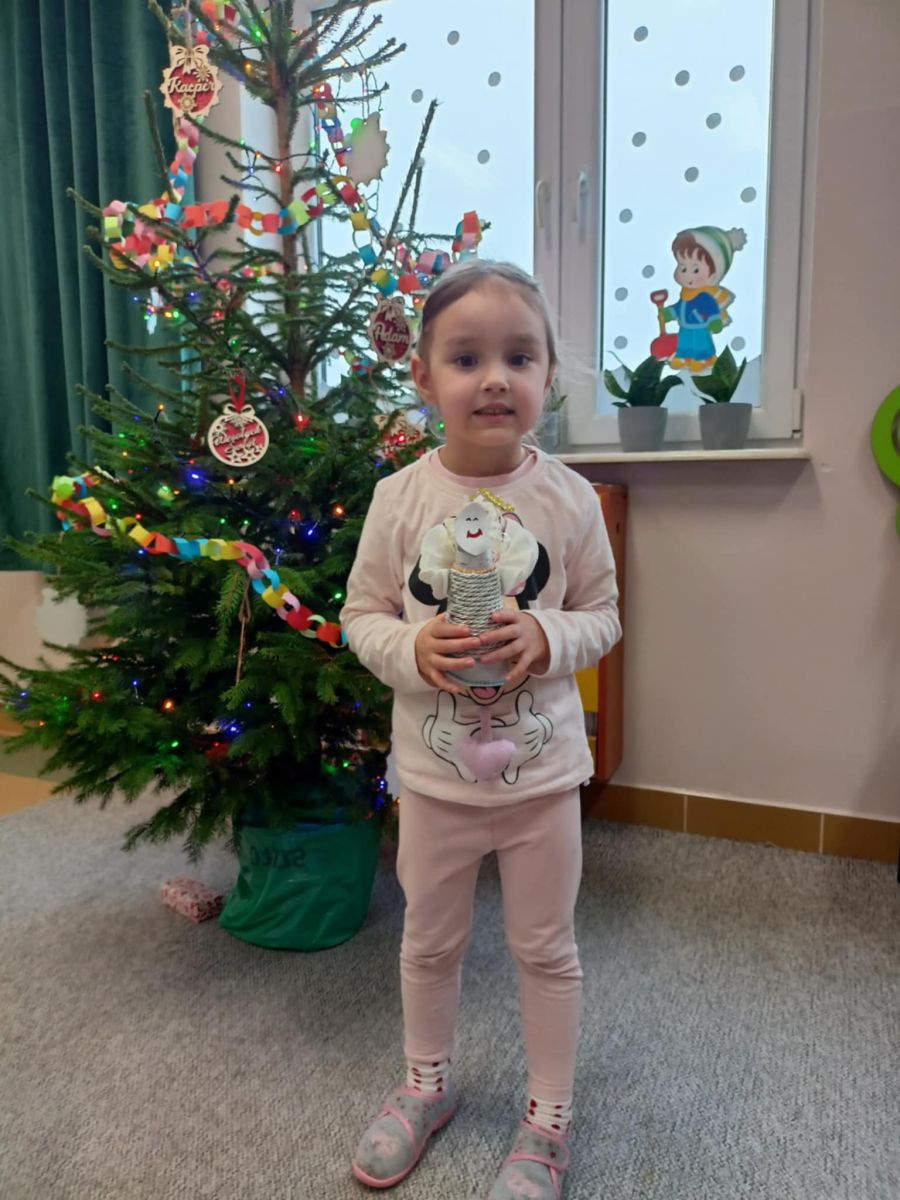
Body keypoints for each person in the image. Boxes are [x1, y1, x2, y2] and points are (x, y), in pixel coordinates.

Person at [340, 259, 622, 1199]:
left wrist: (547, 634)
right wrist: (411, 648)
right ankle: (427, 1085)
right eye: (466, 358)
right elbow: (362, 616)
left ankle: (548, 1120)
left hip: (541, 778)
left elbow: (604, 615)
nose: (495, 378)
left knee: (546, 948)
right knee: (428, 942)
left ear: (550, 377)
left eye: (519, 357)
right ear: (424, 377)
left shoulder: (570, 499)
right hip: (434, 779)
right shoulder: (398, 500)